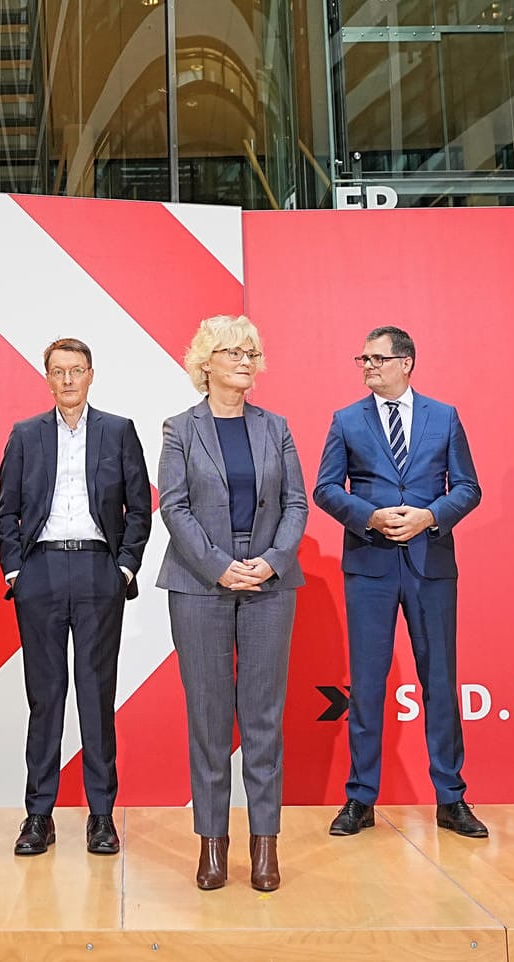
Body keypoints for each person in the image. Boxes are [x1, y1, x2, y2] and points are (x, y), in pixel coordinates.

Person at [313, 325, 487, 841]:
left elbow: (469, 488)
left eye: (377, 358)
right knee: (366, 684)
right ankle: (360, 798)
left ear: (406, 362)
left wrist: (430, 516)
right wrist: (370, 516)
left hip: (430, 563)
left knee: (439, 680)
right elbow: (325, 488)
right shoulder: (346, 420)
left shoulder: (444, 416)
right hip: (370, 565)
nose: (368, 367)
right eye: (362, 359)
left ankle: (451, 798)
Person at [157, 315, 308, 892]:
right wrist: (220, 566)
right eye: (232, 352)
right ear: (206, 363)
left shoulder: (277, 427)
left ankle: (265, 846)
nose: (245, 360)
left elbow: (296, 503)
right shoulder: (179, 428)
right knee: (210, 720)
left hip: (270, 582)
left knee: (264, 719)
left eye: (251, 351)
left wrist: (270, 561)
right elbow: (174, 507)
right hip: (200, 584)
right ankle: (212, 844)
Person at [0, 337, 151, 858]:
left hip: (96, 568)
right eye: (58, 371)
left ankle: (101, 816)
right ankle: (38, 815)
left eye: (76, 370)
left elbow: (138, 507)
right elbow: (6, 511)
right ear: (47, 377)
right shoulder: (24, 435)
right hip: (38, 571)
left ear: (90, 375)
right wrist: (16, 570)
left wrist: (124, 568)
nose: (67, 380)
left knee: (96, 696)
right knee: (45, 698)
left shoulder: (118, 431)